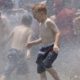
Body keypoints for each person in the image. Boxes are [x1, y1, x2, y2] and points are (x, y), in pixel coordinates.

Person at [26, 3, 61, 80]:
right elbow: (43, 39)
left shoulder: (48, 22)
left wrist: (55, 44)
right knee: (40, 69)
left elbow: (57, 32)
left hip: (52, 47)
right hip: (43, 49)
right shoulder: (40, 24)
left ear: (41, 13)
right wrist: (32, 43)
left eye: (35, 15)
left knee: (47, 64)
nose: (34, 17)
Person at [0, 14, 33, 80]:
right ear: (30, 22)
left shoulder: (16, 28)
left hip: (11, 51)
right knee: (8, 73)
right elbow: (29, 44)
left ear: (21, 20)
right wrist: (28, 53)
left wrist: (2, 44)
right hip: (20, 54)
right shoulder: (29, 30)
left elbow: (7, 39)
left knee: (24, 72)